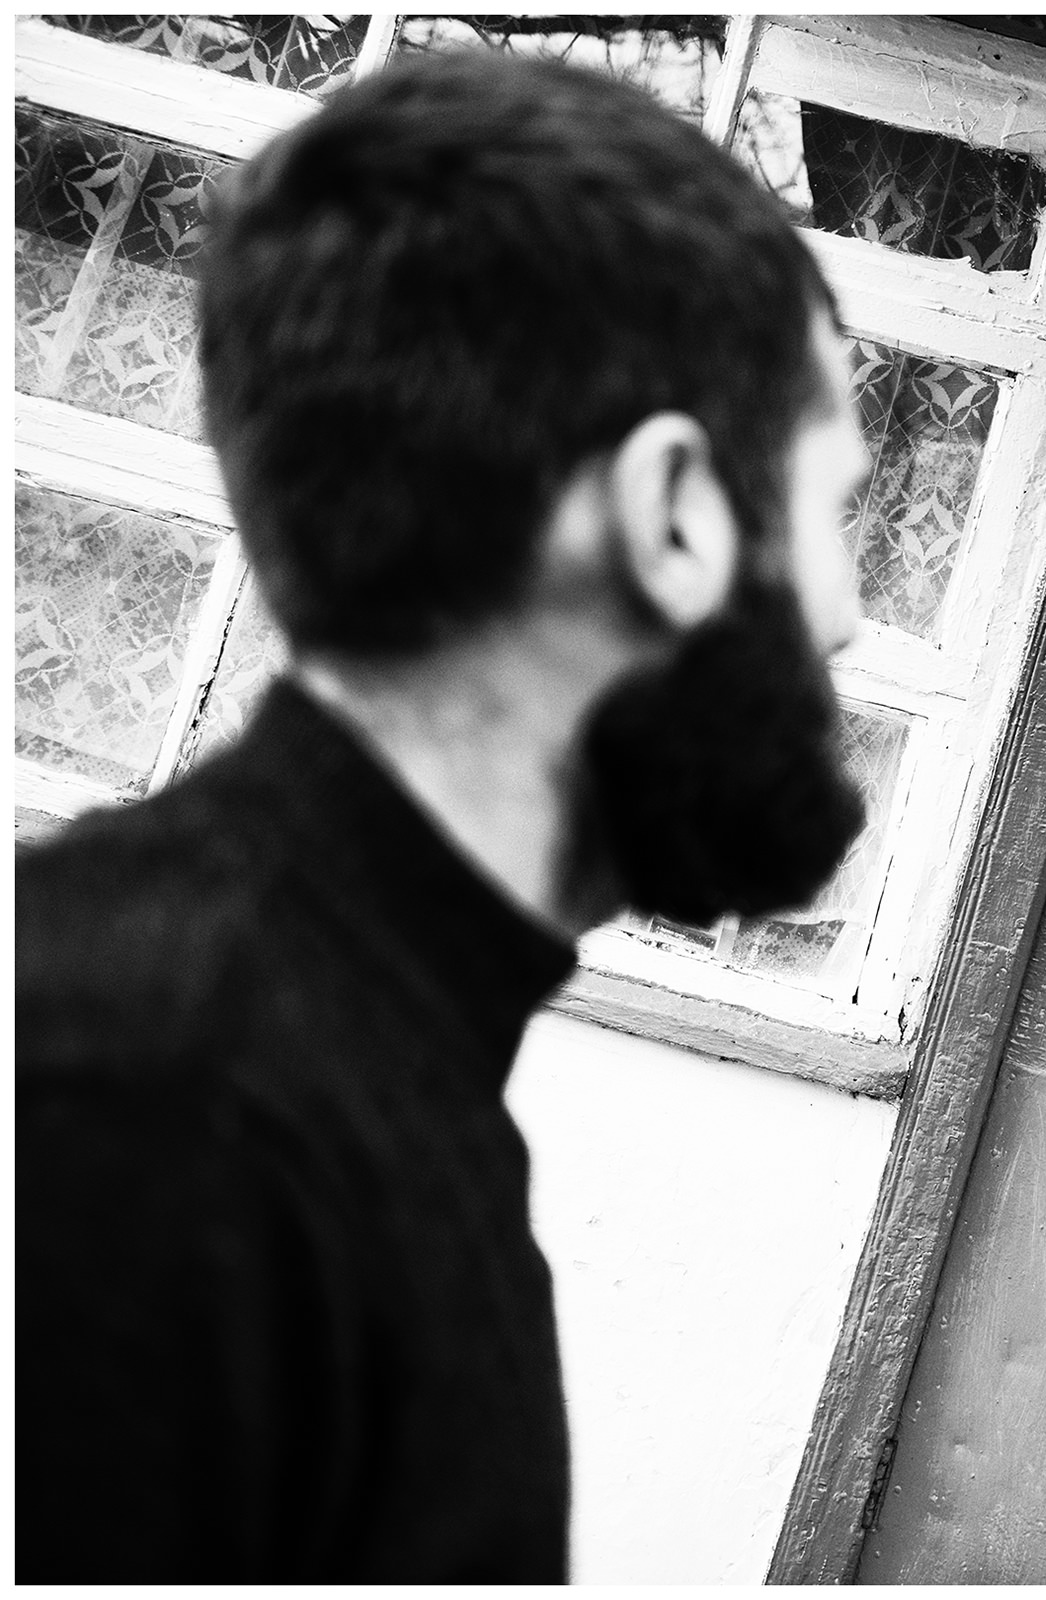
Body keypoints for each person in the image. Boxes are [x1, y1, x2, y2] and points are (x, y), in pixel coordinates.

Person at [17, 54, 871, 1581]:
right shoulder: (147, 1104)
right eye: (836, 514)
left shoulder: (322, 1059)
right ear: (673, 514)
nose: (854, 622)